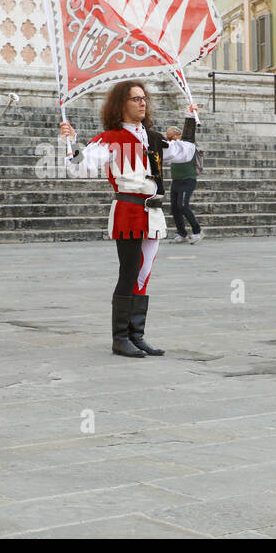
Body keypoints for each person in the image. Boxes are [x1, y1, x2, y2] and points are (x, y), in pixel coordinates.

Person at [60, 80, 199, 358]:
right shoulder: (110, 138)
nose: (142, 102)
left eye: (143, 98)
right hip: (128, 209)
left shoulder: (154, 137)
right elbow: (80, 167)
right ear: (121, 104)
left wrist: (190, 119)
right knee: (129, 272)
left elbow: (186, 151)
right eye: (135, 98)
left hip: (153, 212)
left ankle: (137, 335)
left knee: (144, 275)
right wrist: (72, 141)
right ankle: (120, 338)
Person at [166, 125, 203, 243]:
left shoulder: (187, 145)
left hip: (188, 179)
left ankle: (197, 231)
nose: (169, 140)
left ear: (178, 135)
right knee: (174, 208)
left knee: (182, 205)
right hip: (176, 180)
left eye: (171, 137)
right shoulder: (172, 146)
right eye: (168, 138)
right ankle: (182, 234)